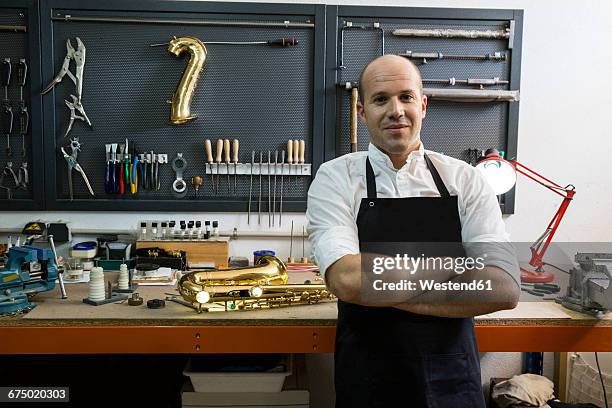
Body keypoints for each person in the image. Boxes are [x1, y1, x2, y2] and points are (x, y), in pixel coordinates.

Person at [306, 55, 521, 407]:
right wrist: (453, 268)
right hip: (368, 378)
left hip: (452, 380)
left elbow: (502, 287)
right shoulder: (335, 179)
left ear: (422, 105)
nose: (395, 110)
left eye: (406, 97)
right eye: (380, 99)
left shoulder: (464, 179)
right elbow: (346, 279)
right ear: (361, 111)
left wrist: (376, 284)